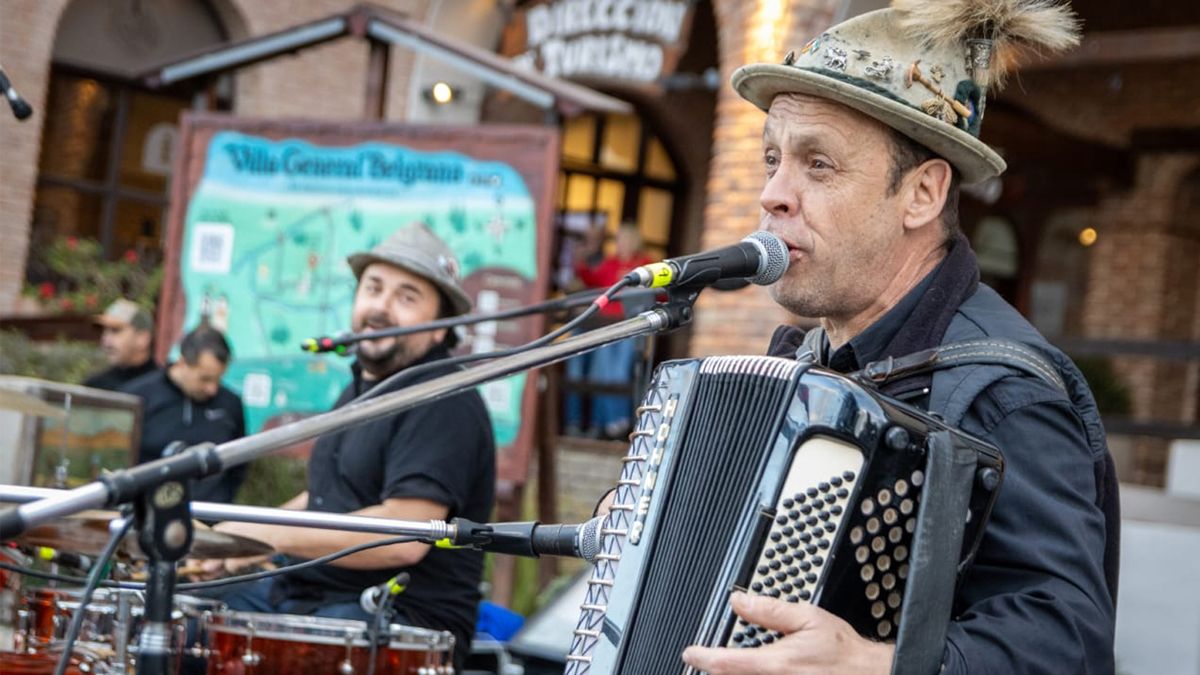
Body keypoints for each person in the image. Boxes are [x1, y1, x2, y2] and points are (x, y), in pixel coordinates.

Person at [665, 3, 1118, 673]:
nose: (774, 195)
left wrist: (875, 664)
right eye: (773, 160)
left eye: (818, 164)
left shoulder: (1004, 393)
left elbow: (1068, 643)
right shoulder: (803, 362)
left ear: (922, 194)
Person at [206, 223, 495, 671]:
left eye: (407, 297)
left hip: (397, 623)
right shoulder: (360, 391)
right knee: (187, 623)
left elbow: (407, 533)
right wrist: (233, 539)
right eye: (373, 288)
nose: (380, 307)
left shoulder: (443, 395)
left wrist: (264, 536)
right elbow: (328, 497)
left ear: (441, 331)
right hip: (313, 598)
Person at [121, 324, 247, 503]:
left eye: (218, 379)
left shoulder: (230, 404)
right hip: (148, 511)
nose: (212, 389)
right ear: (182, 363)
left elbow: (239, 463)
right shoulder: (139, 397)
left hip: (210, 515)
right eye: (205, 379)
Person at [569, 222, 653, 439]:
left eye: (624, 240)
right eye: (618, 240)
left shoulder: (645, 264)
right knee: (601, 374)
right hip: (605, 326)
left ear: (634, 242)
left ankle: (619, 420)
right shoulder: (611, 263)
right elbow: (593, 280)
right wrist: (580, 261)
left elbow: (659, 293)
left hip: (630, 326)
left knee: (618, 374)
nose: (620, 244)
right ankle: (602, 424)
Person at [83, 299, 156, 391]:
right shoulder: (96, 385)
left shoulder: (162, 388)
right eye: (104, 331)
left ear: (142, 338)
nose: (105, 340)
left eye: (115, 330)